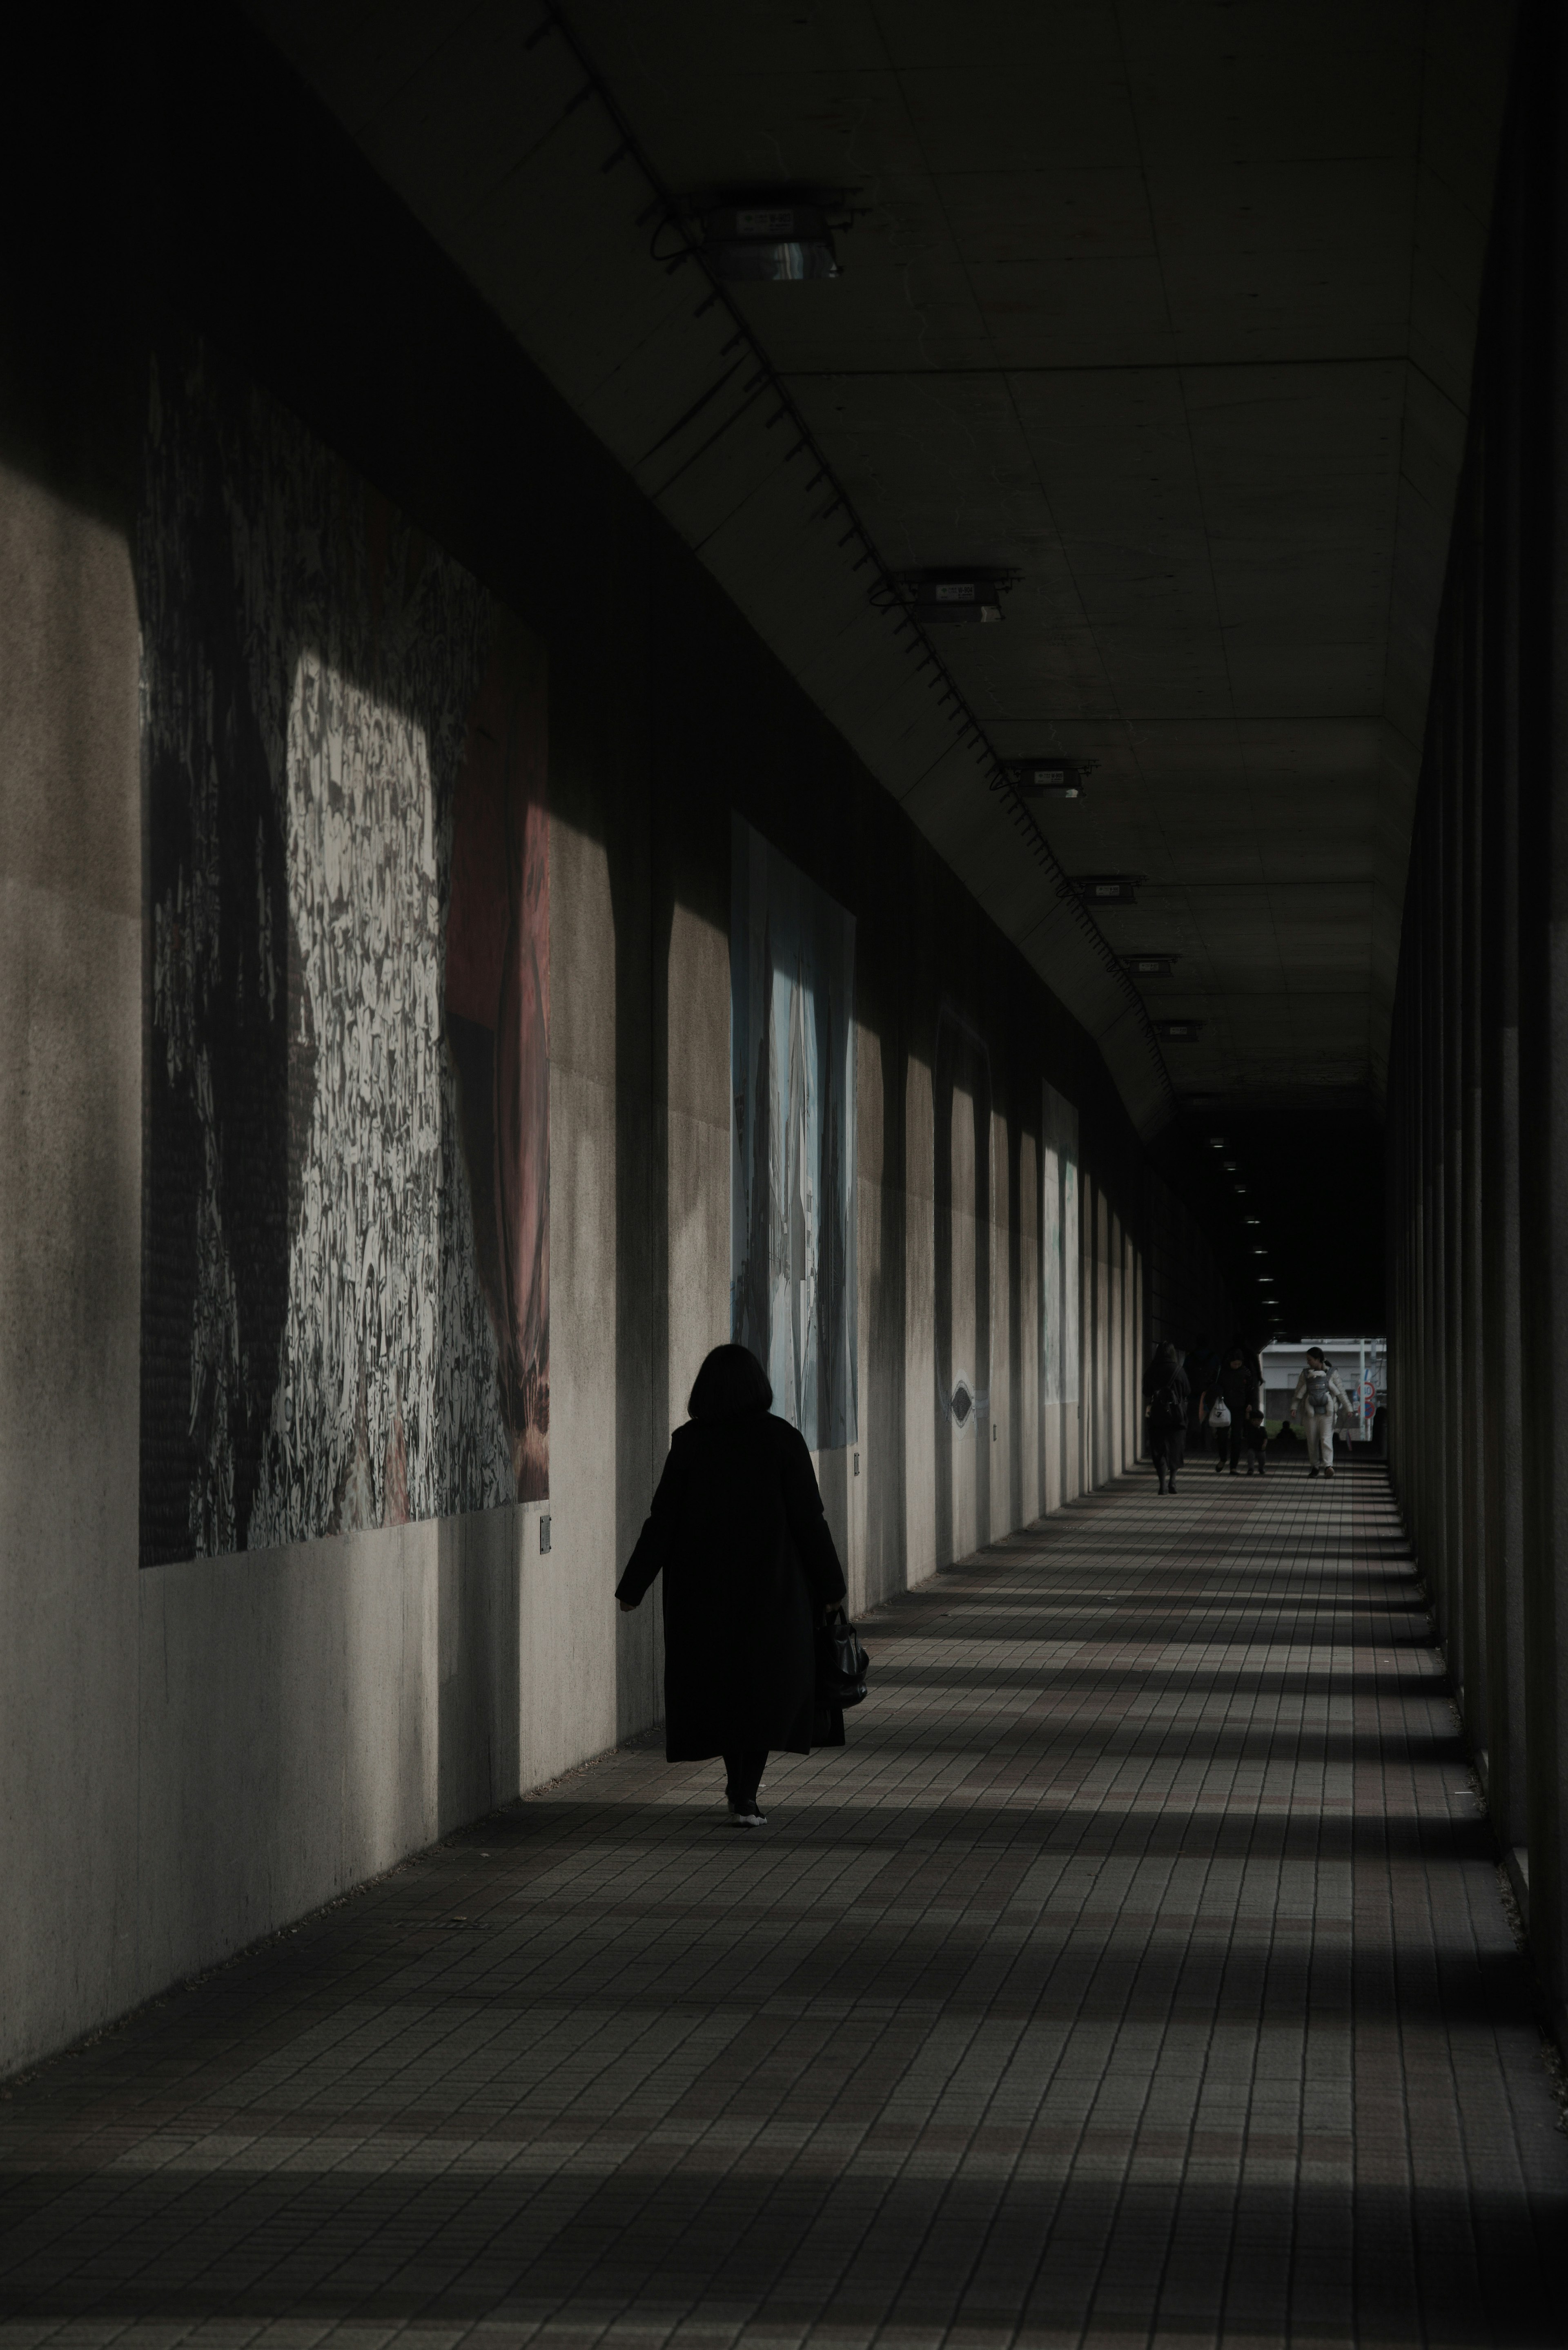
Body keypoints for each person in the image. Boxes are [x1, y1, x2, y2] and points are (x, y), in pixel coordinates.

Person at [615, 1342, 846, 1826]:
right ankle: (745, 1795)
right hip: (772, 1594)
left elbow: (663, 1522)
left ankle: (738, 1785)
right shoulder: (782, 1439)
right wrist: (831, 1588)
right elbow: (810, 1521)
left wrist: (633, 1587)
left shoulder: (690, 1443)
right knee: (762, 1692)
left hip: (703, 1597)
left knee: (722, 1692)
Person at [1293, 1346, 1352, 1478]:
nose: (1308, 1362)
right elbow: (1299, 1392)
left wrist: (1349, 1408)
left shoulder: (1332, 1373)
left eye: (1310, 1359)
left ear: (1318, 1360)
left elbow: (1341, 1392)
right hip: (1310, 1414)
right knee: (1312, 1441)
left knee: (1326, 1439)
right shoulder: (1305, 1374)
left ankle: (1328, 1466)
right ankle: (1315, 1466)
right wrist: (1294, 1407)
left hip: (1328, 1414)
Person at [1143, 1340, 1189, 1494]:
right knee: (1176, 1449)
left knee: (1158, 1450)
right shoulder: (1179, 1370)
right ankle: (1173, 1483)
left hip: (1157, 1417)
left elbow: (1146, 1392)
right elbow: (1187, 1391)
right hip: (1177, 1417)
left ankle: (1162, 1485)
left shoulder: (1151, 1370)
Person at [1212, 1338, 1263, 1474]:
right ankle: (1223, 1458)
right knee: (1222, 1436)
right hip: (1224, 1408)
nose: (1237, 1366)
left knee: (1237, 1438)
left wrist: (1250, 1404)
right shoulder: (1221, 1371)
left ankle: (1233, 1466)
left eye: (1239, 1364)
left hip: (1239, 1408)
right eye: (1235, 1364)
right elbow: (1215, 1386)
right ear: (1230, 1361)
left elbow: (1251, 1390)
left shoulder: (1246, 1372)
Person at [1185, 1332, 1220, 1451]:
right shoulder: (1214, 1357)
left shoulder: (1190, 1357)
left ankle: (1194, 1444)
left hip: (1194, 1392)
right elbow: (1218, 1374)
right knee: (1208, 1417)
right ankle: (1207, 1445)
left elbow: (1186, 1374)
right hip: (1209, 1392)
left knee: (1194, 1417)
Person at [1240, 1403, 1268, 1475]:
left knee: (1262, 1460)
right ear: (1252, 1421)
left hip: (1261, 1448)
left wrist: (1265, 1444)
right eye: (1255, 1420)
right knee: (1251, 1458)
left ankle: (1261, 1468)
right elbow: (1247, 1420)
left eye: (1259, 1420)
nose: (1257, 1422)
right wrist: (1248, 1412)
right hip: (1252, 1447)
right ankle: (1251, 1469)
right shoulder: (1250, 1428)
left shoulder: (1262, 1429)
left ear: (1262, 1421)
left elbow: (1265, 1438)